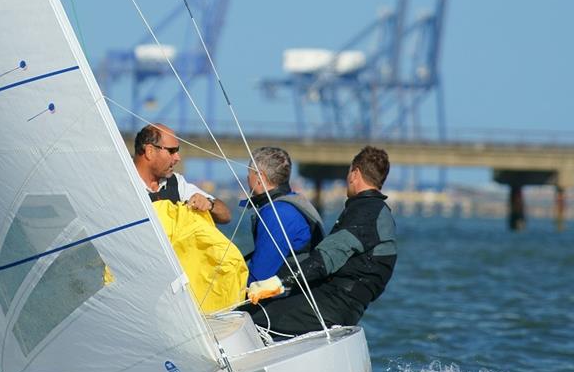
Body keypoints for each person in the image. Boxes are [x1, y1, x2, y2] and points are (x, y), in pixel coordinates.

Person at [247, 146, 396, 336]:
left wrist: (277, 283)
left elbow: (322, 261)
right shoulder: (379, 212)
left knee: (252, 318)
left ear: (355, 173)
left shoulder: (363, 213)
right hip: (349, 304)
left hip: (334, 304)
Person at [244, 147, 324, 284]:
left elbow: (259, 277)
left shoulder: (277, 213)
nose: (246, 178)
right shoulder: (293, 200)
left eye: (249, 173)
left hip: (294, 297)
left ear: (259, 178)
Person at [133, 123, 231, 224]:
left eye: (177, 151)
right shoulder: (122, 184)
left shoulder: (176, 182)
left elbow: (226, 215)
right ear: (150, 151)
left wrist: (209, 204)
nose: (177, 158)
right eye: (171, 151)